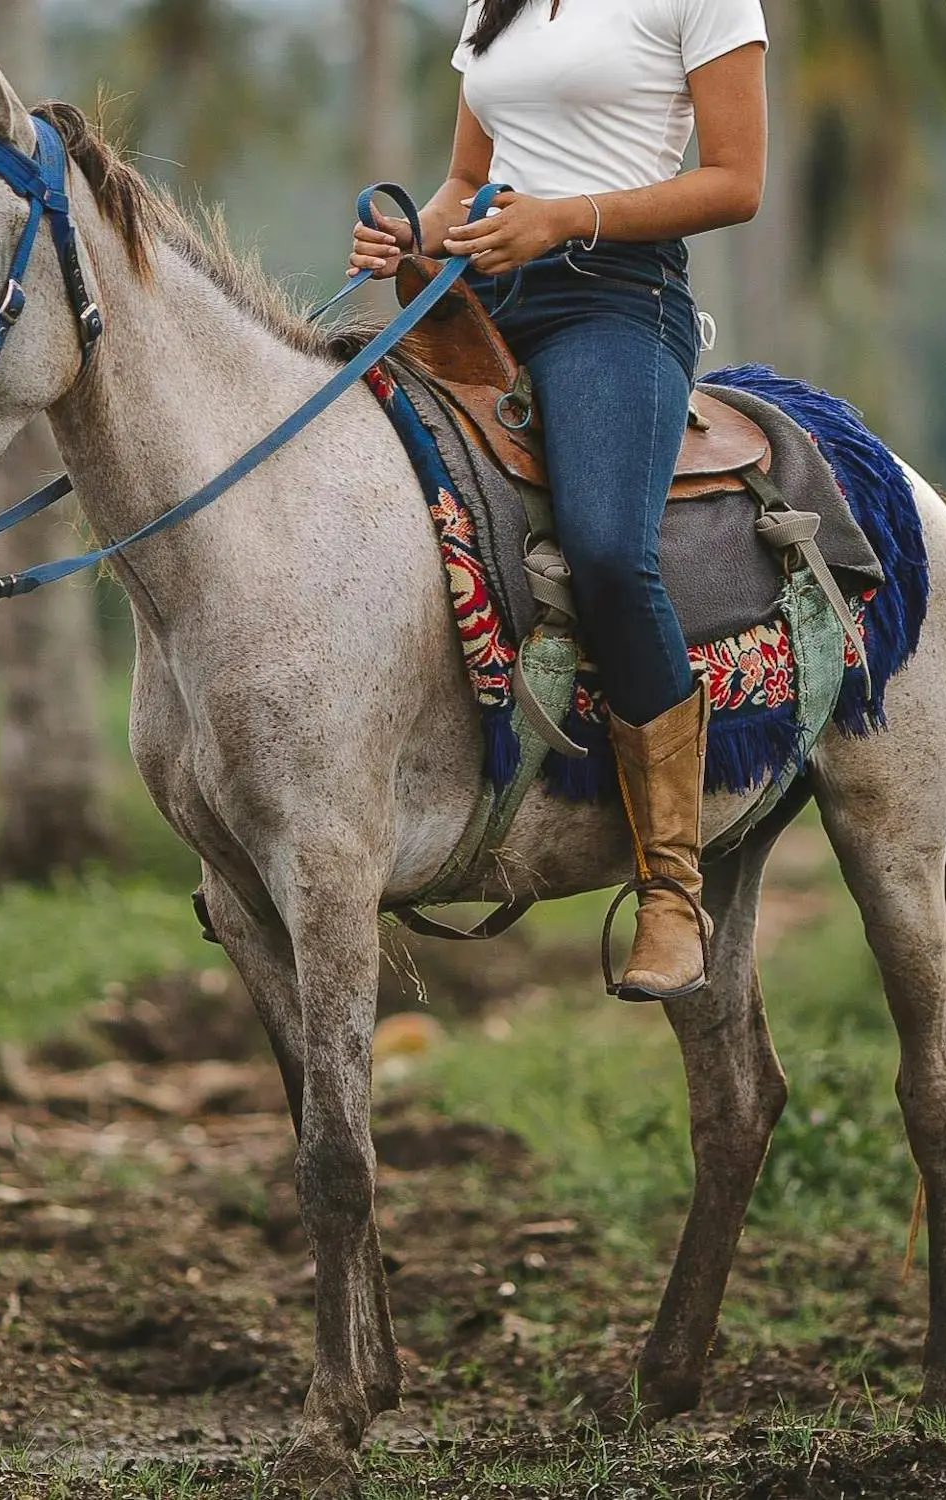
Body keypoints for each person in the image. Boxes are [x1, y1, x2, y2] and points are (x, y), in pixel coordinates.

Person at [350, 0, 769, 1001]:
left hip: (615, 301)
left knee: (604, 547)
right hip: (480, 299)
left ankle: (670, 889)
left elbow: (735, 182)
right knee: (358, 497)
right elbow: (465, 178)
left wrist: (562, 218)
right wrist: (415, 233)